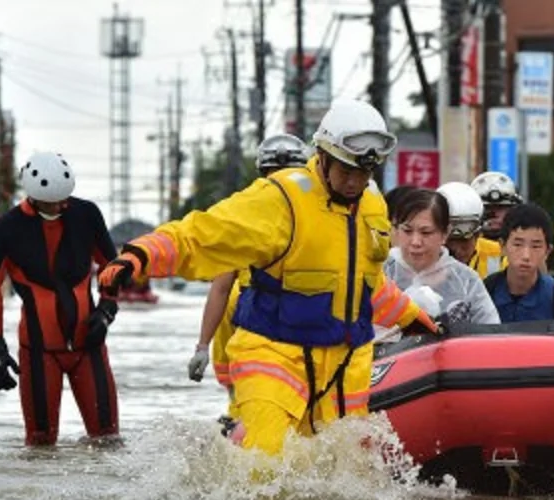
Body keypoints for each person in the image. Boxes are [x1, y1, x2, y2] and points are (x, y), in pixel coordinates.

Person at [98, 99, 442, 456]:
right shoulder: (280, 199)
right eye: (346, 170)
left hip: (343, 367)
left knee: (347, 474)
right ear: (322, 155)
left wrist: (412, 319)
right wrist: (139, 255)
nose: (355, 181)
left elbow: (365, 284)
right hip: (274, 356)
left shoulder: (372, 206)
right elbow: (203, 234)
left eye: (365, 172)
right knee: (267, 467)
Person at [0, 151, 120, 446]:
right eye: (49, 202)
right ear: (32, 195)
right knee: (40, 445)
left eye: (62, 200)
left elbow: (112, 266)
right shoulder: (5, 230)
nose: (57, 206)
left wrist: (106, 310)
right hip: (39, 351)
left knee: (108, 440)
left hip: (89, 345)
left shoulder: (86, 215)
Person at [187, 133, 310, 422]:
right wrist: (202, 346)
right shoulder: (247, 217)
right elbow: (221, 287)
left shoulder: (321, 213)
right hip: (253, 320)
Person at [381, 187, 499, 337]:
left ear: (445, 234)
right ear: (395, 230)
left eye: (426, 233)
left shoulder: (467, 281)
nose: (416, 242)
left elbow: (491, 334)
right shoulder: (379, 274)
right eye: (407, 231)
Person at [485, 203, 554, 325]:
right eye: (517, 244)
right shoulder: (484, 295)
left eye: (536, 246)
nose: (526, 255)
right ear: (502, 246)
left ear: (547, 251)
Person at [440, 180, 505, 278]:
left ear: (478, 234)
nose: (456, 249)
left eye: (464, 240)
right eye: (449, 241)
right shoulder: (419, 255)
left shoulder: (500, 254)